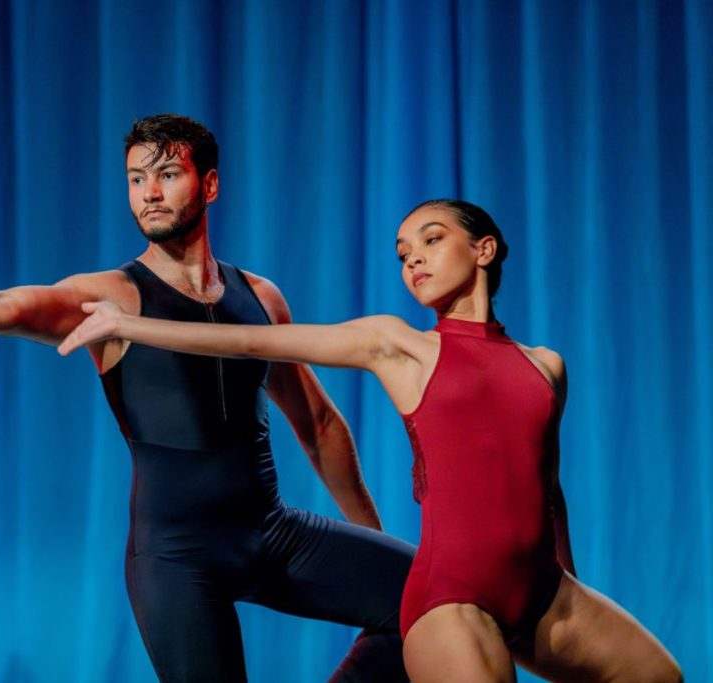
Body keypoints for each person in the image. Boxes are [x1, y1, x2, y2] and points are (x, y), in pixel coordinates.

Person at [0, 114, 414, 682]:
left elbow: (321, 426)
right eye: (136, 178)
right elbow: (0, 305)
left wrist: (371, 551)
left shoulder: (260, 297)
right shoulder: (112, 298)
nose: (148, 192)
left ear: (210, 185)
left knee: (421, 599)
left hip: (271, 534)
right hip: (176, 562)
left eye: (167, 174)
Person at [57, 198, 683, 682]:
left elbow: (548, 489)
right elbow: (253, 342)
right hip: (453, 601)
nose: (413, 259)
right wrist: (129, 324)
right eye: (403, 251)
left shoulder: (547, 365)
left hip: (546, 593)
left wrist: (566, 578)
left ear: (484, 248)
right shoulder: (399, 346)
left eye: (431, 241)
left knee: (662, 675)